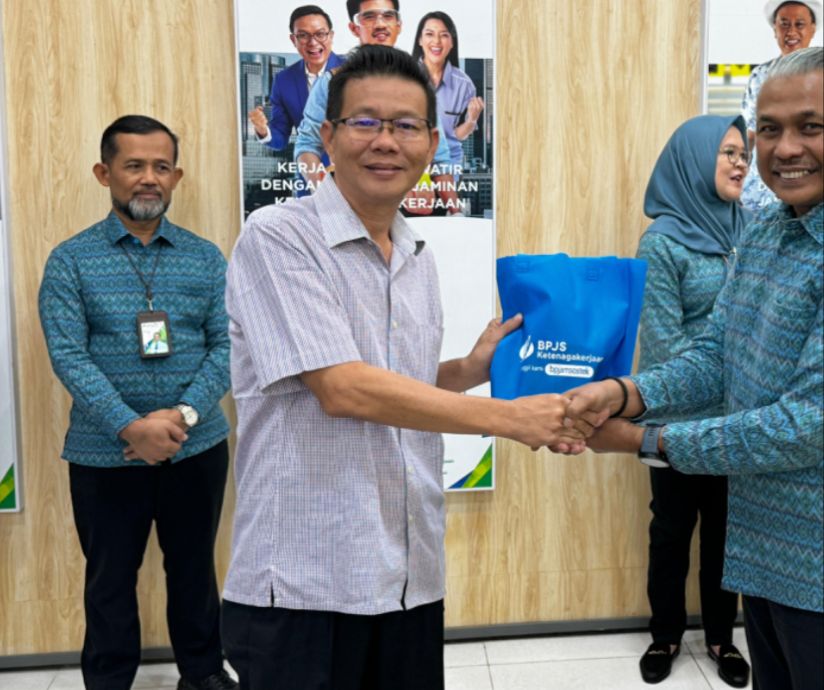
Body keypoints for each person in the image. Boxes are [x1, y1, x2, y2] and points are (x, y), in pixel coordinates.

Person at [221, 45, 590, 690]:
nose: (385, 141)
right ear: (328, 136)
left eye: (406, 125)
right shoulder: (278, 237)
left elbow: (396, 383)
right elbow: (343, 388)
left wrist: (469, 369)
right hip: (306, 581)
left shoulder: (417, 254)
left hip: (408, 572)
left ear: (432, 142)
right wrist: (508, 419)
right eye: (365, 122)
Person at [564, 47, 823, 690]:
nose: (785, 148)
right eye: (769, 129)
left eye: (811, 126)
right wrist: (624, 392)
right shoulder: (763, 234)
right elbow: (714, 354)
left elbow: (805, 425)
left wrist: (643, 438)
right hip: (762, 555)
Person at [38, 116, 237, 690]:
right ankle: (108, 681)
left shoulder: (205, 258)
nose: (149, 178)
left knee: (194, 570)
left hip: (196, 447)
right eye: (134, 165)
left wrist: (182, 416)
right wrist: (130, 426)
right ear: (105, 174)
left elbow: (229, 344)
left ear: (176, 176)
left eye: (161, 166)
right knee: (109, 580)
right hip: (103, 454)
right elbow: (68, 355)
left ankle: (203, 674)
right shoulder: (71, 261)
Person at [634, 114, 751, 687]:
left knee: (727, 532)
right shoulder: (662, 242)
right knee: (672, 530)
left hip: (740, 420)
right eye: (728, 152)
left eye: (744, 154)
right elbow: (663, 343)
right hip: (677, 423)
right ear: (694, 159)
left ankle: (723, 637)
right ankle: (665, 634)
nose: (740, 163)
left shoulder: (752, 232)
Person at [293, 0, 462, 214]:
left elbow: (440, 156)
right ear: (354, 28)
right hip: (353, 207)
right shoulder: (332, 82)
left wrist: (455, 212)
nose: (380, 24)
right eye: (369, 16)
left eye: (388, 16)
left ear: (398, 25)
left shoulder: (418, 82)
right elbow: (307, 145)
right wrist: (325, 197)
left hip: (413, 212)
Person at [740, 0, 821, 211]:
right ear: (774, 30)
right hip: (759, 198)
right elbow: (749, 134)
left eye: (799, 24)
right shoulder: (759, 76)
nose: (791, 31)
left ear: (813, 28)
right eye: (784, 24)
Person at [248, 5, 344, 151]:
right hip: (310, 162)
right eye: (303, 35)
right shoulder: (283, 81)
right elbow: (280, 137)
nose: (313, 42)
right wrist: (263, 130)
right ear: (294, 40)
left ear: (331, 36)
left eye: (320, 34)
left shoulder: (355, 69)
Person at [411, 11, 484, 169]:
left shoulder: (464, 85)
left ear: (452, 42)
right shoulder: (402, 77)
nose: (436, 41)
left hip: (448, 165)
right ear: (420, 40)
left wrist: (471, 120)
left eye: (444, 35)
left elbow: (457, 136)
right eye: (429, 34)